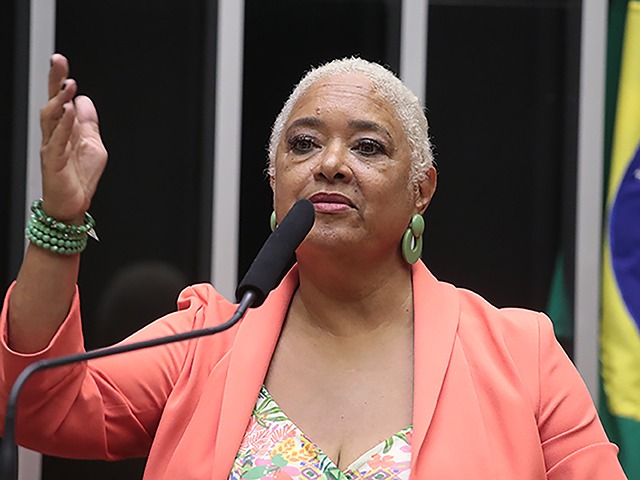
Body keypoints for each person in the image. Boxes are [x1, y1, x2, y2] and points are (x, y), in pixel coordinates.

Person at [0, 53, 627, 480]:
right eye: (303, 144)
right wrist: (61, 219)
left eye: (368, 146)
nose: (330, 164)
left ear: (422, 190)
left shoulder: (521, 355)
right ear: (275, 182)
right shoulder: (205, 342)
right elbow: (41, 406)